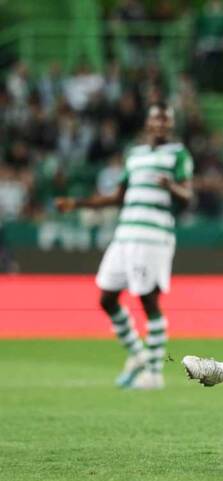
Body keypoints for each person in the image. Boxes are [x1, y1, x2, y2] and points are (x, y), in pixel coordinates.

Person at [55, 102, 193, 389]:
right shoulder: (136, 155)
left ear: (171, 125)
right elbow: (119, 197)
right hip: (124, 235)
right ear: (148, 123)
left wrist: (171, 186)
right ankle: (138, 354)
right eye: (156, 119)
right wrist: (78, 202)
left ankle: (154, 374)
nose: (161, 125)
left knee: (148, 301)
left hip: (152, 237)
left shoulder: (178, 155)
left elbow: (188, 197)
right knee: (106, 298)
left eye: (166, 121)